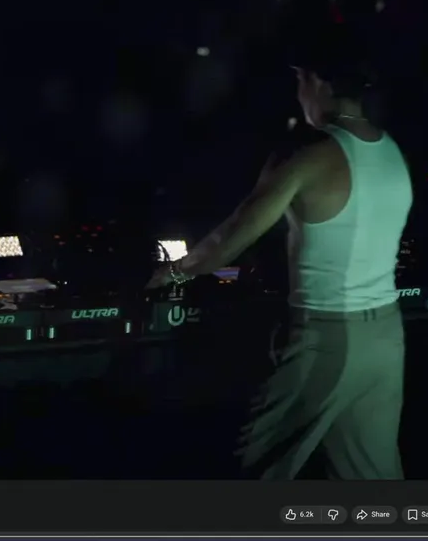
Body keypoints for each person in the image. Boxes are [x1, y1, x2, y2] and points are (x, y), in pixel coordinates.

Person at [147, 25, 413, 480]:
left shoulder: (308, 155)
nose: (298, 95)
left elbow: (230, 238)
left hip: (328, 339)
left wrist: (173, 273)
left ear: (317, 82)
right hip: (385, 340)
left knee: (253, 472)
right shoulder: (392, 152)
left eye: (299, 82)